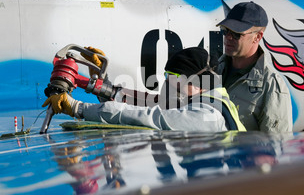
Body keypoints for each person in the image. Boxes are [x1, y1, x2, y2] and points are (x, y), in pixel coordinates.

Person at [42, 47, 246, 132]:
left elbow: (144, 115)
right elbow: (145, 102)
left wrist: (77, 107)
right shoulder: (203, 100)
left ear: (192, 80)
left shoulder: (206, 115)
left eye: (171, 76)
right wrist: (99, 79)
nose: (166, 81)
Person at [216, 1, 293, 132]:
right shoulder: (213, 70)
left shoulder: (271, 85)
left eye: (236, 33)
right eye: (225, 31)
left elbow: (274, 144)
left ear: (257, 37)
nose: (228, 37)